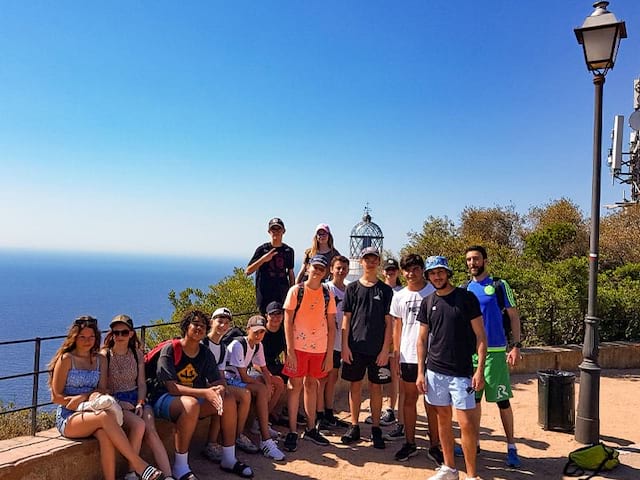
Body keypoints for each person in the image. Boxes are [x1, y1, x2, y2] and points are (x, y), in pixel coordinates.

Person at [48, 315, 167, 480]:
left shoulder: (100, 360)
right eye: (82, 336)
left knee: (105, 435)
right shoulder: (67, 359)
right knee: (104, 416)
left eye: (91, 337)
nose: (87, 340)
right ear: (74, 337)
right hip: (69, 415)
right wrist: (78, 400)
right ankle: (140, 465)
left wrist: (85, 396)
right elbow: (56, 397)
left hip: (92, 410)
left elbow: (103, 389)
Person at [149, 310, 254, 479]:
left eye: (203, 326)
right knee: (191, 404)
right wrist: (206, 392)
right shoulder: (171, 349)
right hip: (164, 399)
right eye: (195, 324)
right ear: (186, 326)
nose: (199, 328)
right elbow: (172, 387)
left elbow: (218, 381)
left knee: (227, 398)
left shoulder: (205, 353)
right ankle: (180, 467)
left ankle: (228, 458)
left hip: (194, 399)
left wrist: (218, 389)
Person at [416, 256, 487, 480]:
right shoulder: (427, 302)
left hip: (461, 372)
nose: (437, 277)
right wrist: (420, 372)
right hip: (435, 370)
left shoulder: (466, 298)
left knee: (466, 423)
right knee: (442, 419)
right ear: (428, 276)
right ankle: (449, 468)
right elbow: (422, 339)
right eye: (432, 273)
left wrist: (479, 370)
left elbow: (480, 336)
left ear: (447, 273)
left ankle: (472, 475)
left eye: (440, 272)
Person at [464, 245, 522, 468]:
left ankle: (511, 446)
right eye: (469, 260)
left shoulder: (499, 285)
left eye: (476, 259)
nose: (472, 263)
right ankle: (474, 443)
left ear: (485, 261)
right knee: (473, 400)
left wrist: (515, 346)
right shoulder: (465, 288)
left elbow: (514, 316)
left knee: (501, 400)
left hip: (496, 352)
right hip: (471, 354)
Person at [102, 315, 173, 480]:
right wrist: (119, 403)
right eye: (116, 333)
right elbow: (102, 388)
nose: (119, 336)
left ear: (131, 334)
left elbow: (141, 384)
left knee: (151, 430)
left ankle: (168, 475)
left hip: (136, 397)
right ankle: (132, 472)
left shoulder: (137, 354)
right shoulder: (104, 355)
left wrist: (140, 402)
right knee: (139, 425)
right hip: (116, 400)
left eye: (124, 332)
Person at [389, 255, 443, 465]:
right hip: (407, 356)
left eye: (415, 269)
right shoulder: (399, 296)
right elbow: (397, 326)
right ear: (403, 272)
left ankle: (435, 445)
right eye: (407, 270)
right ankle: (410, 443)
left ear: (422, 270)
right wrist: (396, 354)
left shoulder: (434, 291)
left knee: (433, 403)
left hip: (434, 356)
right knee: (409, 400)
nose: (411, 273)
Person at [282, 255, 337, 452]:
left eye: (321, 269)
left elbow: (332, 325)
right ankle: (292, 431)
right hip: (297, 346)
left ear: (326, 272)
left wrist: (330, 354)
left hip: (319, 347)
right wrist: (289, 350)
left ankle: (311, 427)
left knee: (312, 385)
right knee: (294, 385)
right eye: (315, 267)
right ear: (308, 268)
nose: (317, 271)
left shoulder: (327, 294)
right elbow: (287, 321)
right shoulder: (296, 291)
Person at [340, 247, 393, 449]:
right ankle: (354, 426)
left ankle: (376, 428)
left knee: (376, 388)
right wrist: (344, 346)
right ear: (360, 262)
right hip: (355, 347)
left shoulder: (386, 290)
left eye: (373, 259)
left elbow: (390, 323)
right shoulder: (352, 289)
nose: (370, 262)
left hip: (377, 349)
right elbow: (346, 320)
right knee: (354, 386)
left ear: (378, 262)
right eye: (366, 259)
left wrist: (384, 350)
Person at [224, 315, 286, 462]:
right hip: (229, 379)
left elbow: (263, 368)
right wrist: (263, 386)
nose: (258, 335)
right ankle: (265, 440)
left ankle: (258, 424)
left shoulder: (258, 345)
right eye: (256, 332)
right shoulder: (238, 345)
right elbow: (243, 376)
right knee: (261, 389)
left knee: (277, 382)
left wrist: (269, 381)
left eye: (262, 332)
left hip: (240, 378)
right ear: (248, 330)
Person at [202, 308, 257, 461]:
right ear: (212, 322)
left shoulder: (222, 348)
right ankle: (212, 443)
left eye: (226, 323)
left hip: (214, 384)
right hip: (201, 386)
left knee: (242, 394)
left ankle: (237, 436)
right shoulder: (203, 343)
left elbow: (220, 374)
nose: (223, 326)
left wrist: (224, 387)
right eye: (220, 321)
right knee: (224, 399)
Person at [317, 255, 351, 430]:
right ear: (331, 269)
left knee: (332, 377)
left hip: (339, 342)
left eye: (344, 268)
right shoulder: (325, 289)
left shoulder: (349, 290)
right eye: (338, 268)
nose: (341, 271)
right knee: (321, 379)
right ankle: (318, 415)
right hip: (324, 341)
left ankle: (329, 413)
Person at [246, 217, 295, 314]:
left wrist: (293, 292)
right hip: (265, 294)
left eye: (278, 229)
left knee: (281, 320)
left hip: (281, 293)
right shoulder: (262, 250)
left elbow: (290, 272)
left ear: (284, 231)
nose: (276, 231)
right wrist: (263, 259)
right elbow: (248, 271)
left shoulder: (288, 251)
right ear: (269, 231)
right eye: (273, 229)